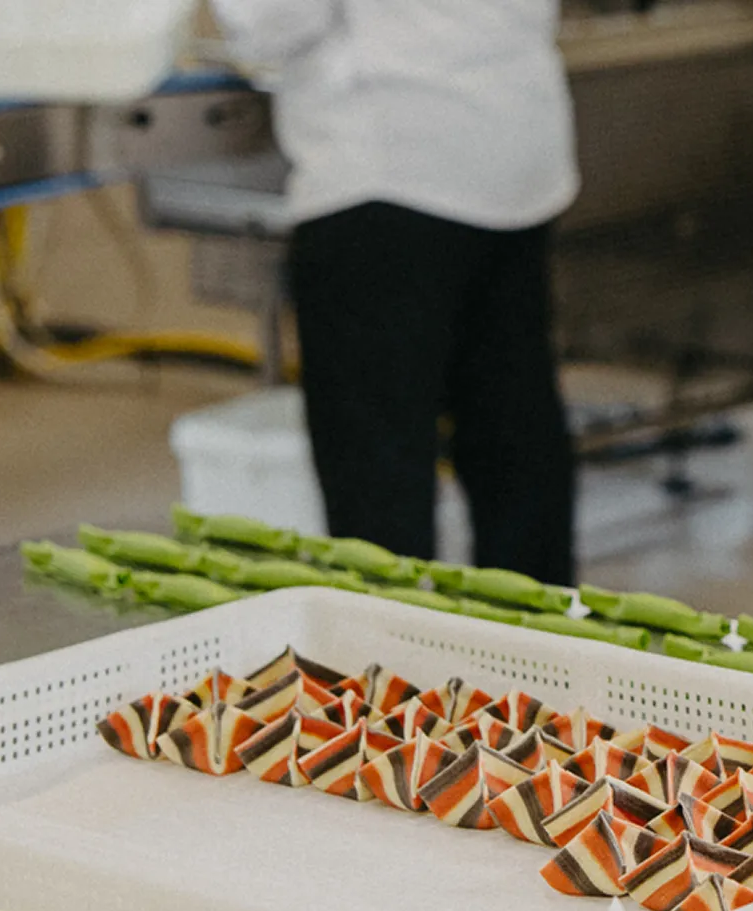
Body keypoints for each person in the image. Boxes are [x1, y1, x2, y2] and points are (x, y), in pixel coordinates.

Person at [211, 0, 582, 584]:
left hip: (389, 168)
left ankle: (394, 665)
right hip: (515, 151)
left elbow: (266, 23)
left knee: (378, 479)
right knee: (514, 440)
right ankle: (537, 659)